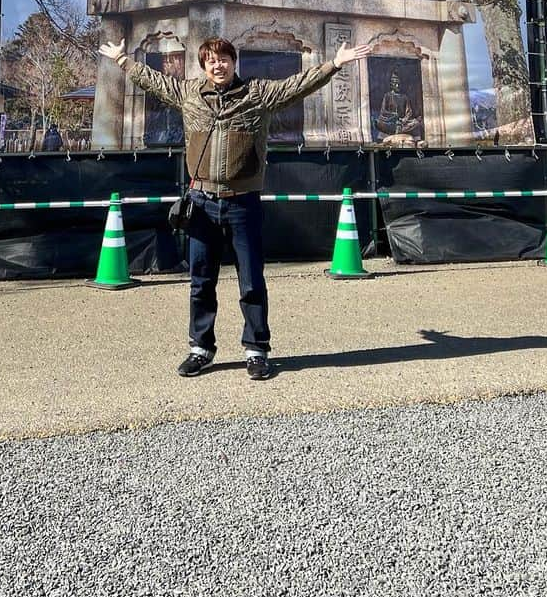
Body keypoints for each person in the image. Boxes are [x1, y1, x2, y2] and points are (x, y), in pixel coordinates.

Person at [98, 34, 374, 381]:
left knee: (252, 281)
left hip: (243, 203)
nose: (218, 65)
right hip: (201, 202)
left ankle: (256, 350)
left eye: (224, 59)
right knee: (200, 281)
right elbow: (154, 81)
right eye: (211, 60)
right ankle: (201, 348)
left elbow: (297, 85)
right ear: (204, 65)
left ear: (233, 62)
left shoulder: (256, 95)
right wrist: (123, 61)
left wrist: (335, 64)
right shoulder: (190, 95)